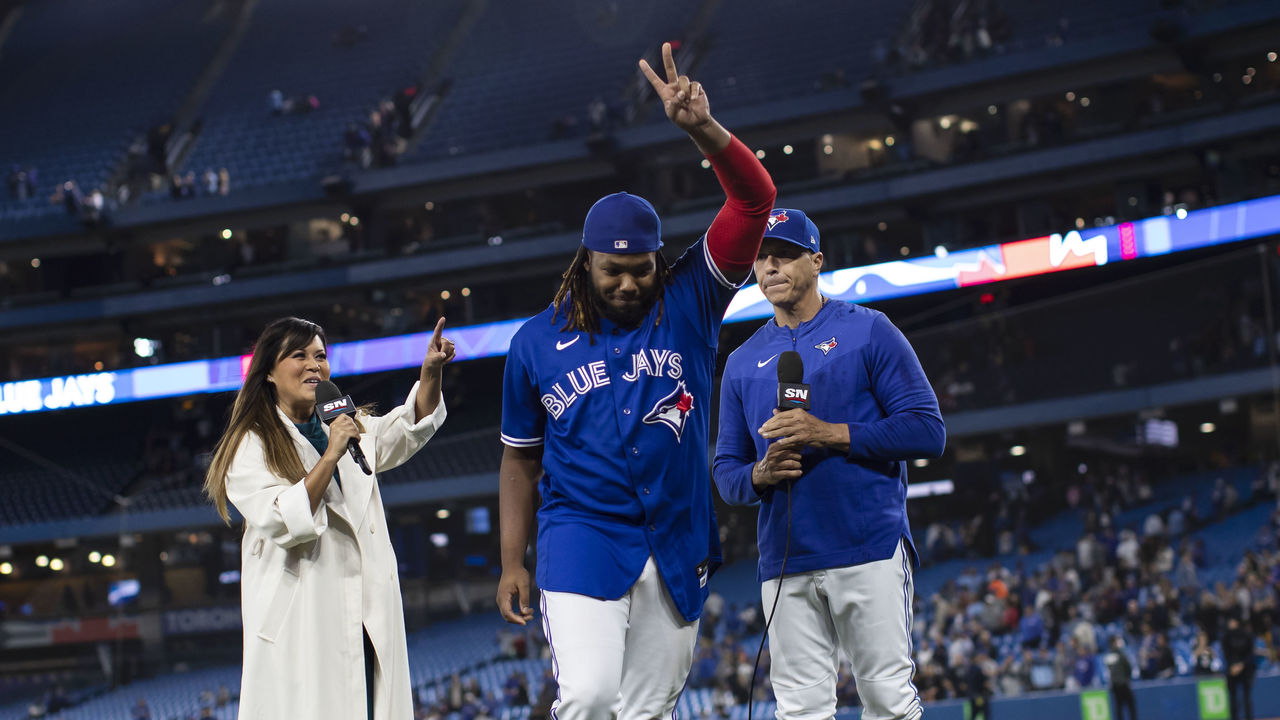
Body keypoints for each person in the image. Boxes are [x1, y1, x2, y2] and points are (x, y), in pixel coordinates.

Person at [495, 42, 776, 720]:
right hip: (581, 534)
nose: (627, 283)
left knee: (648, 709)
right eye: (611, 270)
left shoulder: (690, 300)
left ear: (658, 261)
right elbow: (517, 460)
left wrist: (703, 130)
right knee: (589, 695)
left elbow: (756, 199)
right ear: (584, 263)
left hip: (677, 538)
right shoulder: (535, 341)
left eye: (641, 269)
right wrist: (512, 560)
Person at [713, 208, 945, 720]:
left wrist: (829, 434)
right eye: (762, 259)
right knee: (799, 711)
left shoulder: (869, 331)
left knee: (887, 699)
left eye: (785, 255)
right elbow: (726, 471)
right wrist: (759, 474)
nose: (771, 267)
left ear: (816, 260)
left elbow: (928, 430)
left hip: (868, 546)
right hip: (785, 560)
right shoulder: (741, 361)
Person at [203, 315, 454, 720]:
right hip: (305, 621)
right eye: (298, 355)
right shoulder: (248, 445)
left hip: (367, 613)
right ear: (267, 371)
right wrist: (331, 453)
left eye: (320, 355)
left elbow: (406, 429)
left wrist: (430, 375)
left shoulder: (345, 425)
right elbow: (283, 520)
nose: (313, 365)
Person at [1222, 615, 1256, 720]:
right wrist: (1233, 666)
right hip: (1232, 669)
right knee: (1232, 697)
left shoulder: (1247, 635)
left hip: (1246, 670)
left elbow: (1250, 654)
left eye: (1231, 621)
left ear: (1236, 622)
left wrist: (1241, 665)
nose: (1229, 623)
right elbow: (1226, 653)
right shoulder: (1226, 636)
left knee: (1247, 697)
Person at [1104, 635, 1136, 720]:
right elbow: (1128, 666)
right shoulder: (1120, 653)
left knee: (1118, 706)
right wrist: (1127, 677)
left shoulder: (1108, 655)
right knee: (1130, 704)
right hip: (1123, 683)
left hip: (1114, 684)